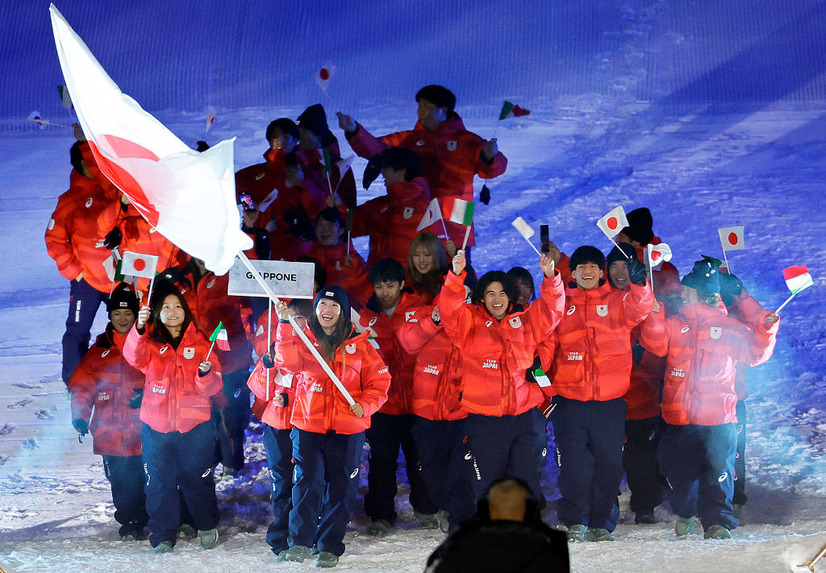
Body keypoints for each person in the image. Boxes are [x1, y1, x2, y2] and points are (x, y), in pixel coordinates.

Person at [645, 258, 780, 540]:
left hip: (718, 417)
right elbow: (655, 344)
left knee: (719, 470)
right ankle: (686, 512)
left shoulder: (728, 327)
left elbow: (756, 354)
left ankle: (718, 521)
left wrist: (766, 331)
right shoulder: (676, 323)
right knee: (680, 473)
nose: (682, 293)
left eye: (687, 290)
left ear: (698, 293)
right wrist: (655, 316)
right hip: (679, 416)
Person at [275, 286, 390, 567]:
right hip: (308, 425)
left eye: (334, 306)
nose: (327, 310)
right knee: (306, 483)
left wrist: (366, 404)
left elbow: (380, 383)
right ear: (316, 309)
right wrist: (283, 325)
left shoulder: (360, 344)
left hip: (347, 428)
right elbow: (287, 365)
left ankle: (329, 545)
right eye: (322, 304)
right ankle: (300, 541)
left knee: (341, 487)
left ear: (343, 312)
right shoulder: (302, 338)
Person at [440, 249, 563, 506]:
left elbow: (552, 310)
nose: (497, 299)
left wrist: (551, 276)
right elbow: (449, 309)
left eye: (503, 293)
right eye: (490, 293)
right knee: (488, 483)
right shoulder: (468, 324)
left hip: (525, 417)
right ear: (482, 298)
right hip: (485, 420)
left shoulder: (525, 320)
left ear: (511, 297)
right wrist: (455, 275)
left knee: (526, 479)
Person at [548, 245, 654, 542]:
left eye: (593, 266)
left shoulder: (619, 301)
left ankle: (602, 522)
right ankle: (576, 521)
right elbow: (544, 340)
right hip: (570, 401)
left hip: (609, 402)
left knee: (608, 465)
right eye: (581, 266)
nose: (587, 271)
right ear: (573, 271)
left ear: (601, 270)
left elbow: (642, 306)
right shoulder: (561, 302)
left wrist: (640, 283)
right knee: (574, 466)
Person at [338, 85, 507, 252]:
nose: (420, 112)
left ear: (443, 110)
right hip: (417, 221)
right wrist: (355, 131)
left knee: (457, 275)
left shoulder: (467, 141)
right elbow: (377, 149)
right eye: (419, 107)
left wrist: (490, 157)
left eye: (427, 107)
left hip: (456, 224)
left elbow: (492, 170)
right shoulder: (409, 140)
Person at [123, 281, 223, 553]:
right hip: (157, 427)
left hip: (195, 428)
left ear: (186, 311)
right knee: (159, 482)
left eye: (177, 306)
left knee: (197, 479)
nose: (173, 311)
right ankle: (163, 535)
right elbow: (133, 355)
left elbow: (214, 387)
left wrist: (205, 375)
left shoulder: (204, 344)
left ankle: (205, 525)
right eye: (166, 307)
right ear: (157, 312)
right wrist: (139, 328)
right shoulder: (151, 344)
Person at [356, 259, 438, 537]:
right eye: (379, 286)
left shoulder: (421, 311)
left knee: (421, 460)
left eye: (390, 285)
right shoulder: (365, 319)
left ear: (403, 284)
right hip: (382, 406)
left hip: (418, 403)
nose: (385, 292)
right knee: (381, 462)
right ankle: (381, 515)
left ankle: (426, 509)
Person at [396, 267, 478, 532]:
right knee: (430, 472)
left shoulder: (476, 319)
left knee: (461, 471)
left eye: (461, 292)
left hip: (464, 413)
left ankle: (460, 521)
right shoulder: (424, 315)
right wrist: (433, 320)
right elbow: (407, 342)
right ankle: (447, 506)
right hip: (427, 414)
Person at [68, 283, 147, 540]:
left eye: (127, 313)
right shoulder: (98, 351)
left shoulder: (147, 344)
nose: (122, 318)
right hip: (109, 432)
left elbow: (164, 378)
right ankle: (130, 521)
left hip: (144, 429)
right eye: (117, 314)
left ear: (136, 315)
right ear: (110, 316)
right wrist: (80, 416)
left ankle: (157, 517)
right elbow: (81, 386)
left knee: (149, 476)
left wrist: (146, 398)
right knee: (121, 482)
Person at [45, 138, 118, 386]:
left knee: (127, 330)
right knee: (76, 333)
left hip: (120, 279)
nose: (98, 164)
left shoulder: (113, 191)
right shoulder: (70, 198)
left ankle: (128, 383)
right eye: (91, 160)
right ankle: (76, 385)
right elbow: (54, 239)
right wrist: (74, 271)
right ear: (80, 165)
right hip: (86, 280)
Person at [606, 244, 668, 524]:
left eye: (625, 266)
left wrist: (642, 361)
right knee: (605, 456)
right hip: (607, 396)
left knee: (641, 456)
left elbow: (660, 347)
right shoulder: (601, 300)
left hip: (641, 395)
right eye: (615, 266)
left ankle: (645, 505)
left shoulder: (648, 299)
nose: (620, 272)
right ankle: (604, 507)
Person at [246, 299, 312, 558]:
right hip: (277, 425)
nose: (298, 324)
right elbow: (259, 390)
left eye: (303, 319)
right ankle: (281, 535)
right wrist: (267, 367)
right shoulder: (274, 349)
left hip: (306, 425)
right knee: (282, 481)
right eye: (293, 318)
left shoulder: (317, 350)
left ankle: (306, 532)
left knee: (306, 481)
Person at [424, 478, 570, 573]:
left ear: (488, 509)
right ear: (527, 510)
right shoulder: (547, 548)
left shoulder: (463, 545)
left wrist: (460, 533)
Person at [350, 147, 432, 267]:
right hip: (378, 280)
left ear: (401, 171)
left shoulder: (424, 207)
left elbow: (435, 252)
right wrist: (335, 207)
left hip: (409, 282)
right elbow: (346, 225)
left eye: (386, 167)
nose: (382, 171)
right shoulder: (381, 205)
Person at [306, 207, 373, 306]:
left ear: (341, 230)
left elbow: (365, 291)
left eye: (330, 224)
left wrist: (352, 271)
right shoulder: (309, 258)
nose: (324, 229)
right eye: (320, 224)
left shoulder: (351, 259)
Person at [406, 232, 451, 305]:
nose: (421, 260)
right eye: (416, 255)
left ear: (438, 255)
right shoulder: (405, 281)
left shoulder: (447, 278)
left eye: (427, 255)